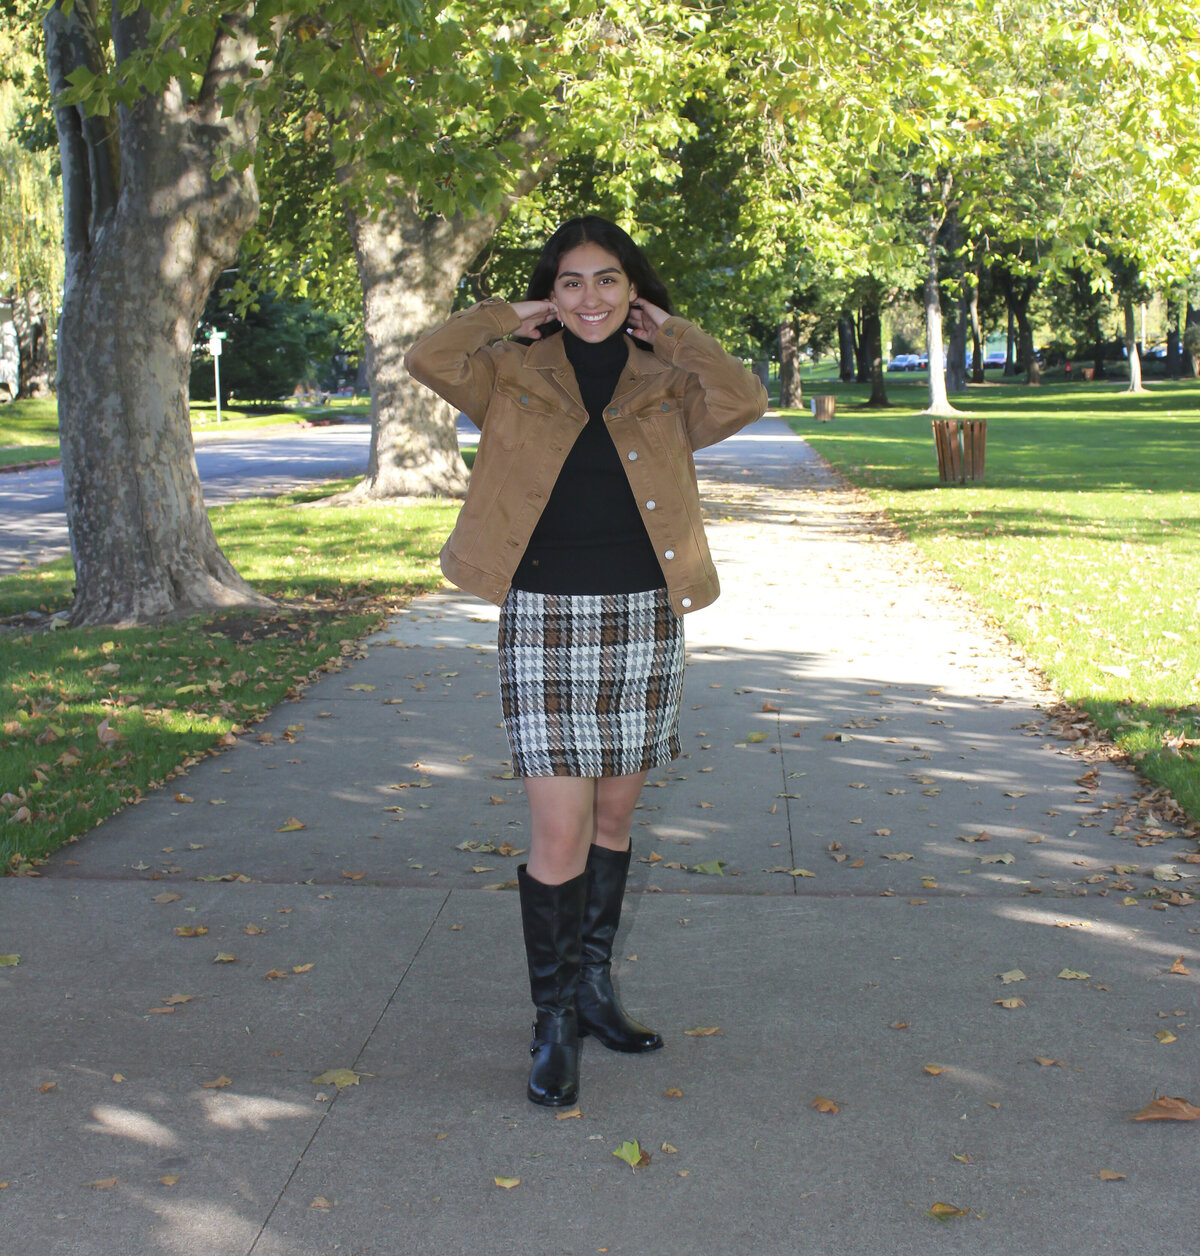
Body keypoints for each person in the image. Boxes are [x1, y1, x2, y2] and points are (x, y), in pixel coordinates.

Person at [405, 215, 767, 1107]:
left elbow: (745, 398)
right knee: (558, 832)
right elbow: (426, 357)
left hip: (643, 617)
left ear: (632, 289)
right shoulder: (512, 368)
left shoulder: (669, 376)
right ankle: (554, 1021)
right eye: (571, 281)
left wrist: (673, 332)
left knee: (612, 821)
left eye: (607, 280)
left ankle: (595, 989)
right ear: (551, 291)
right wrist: (506, 312)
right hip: (544, 618)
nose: (590, 298)